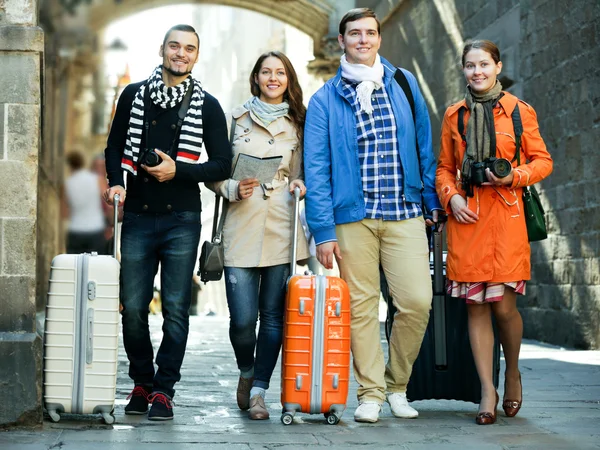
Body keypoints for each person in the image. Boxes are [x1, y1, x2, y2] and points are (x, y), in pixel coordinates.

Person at [303, 8, 443, 423]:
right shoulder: (325, 99)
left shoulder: (402, 82)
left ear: (379, 39)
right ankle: (370, 393)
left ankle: (397, 384)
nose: (363, 40)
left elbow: (423, 144)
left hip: (403, 211)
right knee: (361, 307)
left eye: (370, 33)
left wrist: (431, 200)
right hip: (352, 218)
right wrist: (323, 230)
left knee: (416, 302)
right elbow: (317, 167)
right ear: (342, 41)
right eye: (354, 34)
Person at [103, 24, 232, 421]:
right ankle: (141, 382)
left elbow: (222, 164)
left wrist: (179, 172)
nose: (181, 53)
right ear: (162, 49)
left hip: (182, 218)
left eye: (189, 48)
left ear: (196, 56)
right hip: (139, 215)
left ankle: (164, 390)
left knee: (176, 308)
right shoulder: (133, 95)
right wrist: (115, 183)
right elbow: (113, 146)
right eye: (175, 45)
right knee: (133, 308)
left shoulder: (207, 105)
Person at [436, 40, 553, 425]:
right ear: (464, 70)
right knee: (476, 306)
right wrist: (451, 197)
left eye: (483, 64)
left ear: (497, 66)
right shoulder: (454, 116)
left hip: (506, 218)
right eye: (470, 66)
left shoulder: (520, 112)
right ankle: (488, 388)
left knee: (504, 307)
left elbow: (542, 161)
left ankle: (513, 370)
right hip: (468, 218)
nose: (477, 72)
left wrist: (515, 175)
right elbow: (444, 168)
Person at [206, 51, 309, 420]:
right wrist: (232, 188)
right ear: (256, 78)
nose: (273, 78)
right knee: (242, 319)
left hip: (281, 223)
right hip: (241, 224)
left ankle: (260, 391)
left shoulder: (301, 122)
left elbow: (305, 171)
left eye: (280, 72)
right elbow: (214, 172)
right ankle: (246, 371)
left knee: (274, 317)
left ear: (288, 79)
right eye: (266, 72)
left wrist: (299, 183)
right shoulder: (234, 119)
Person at [62, 151, 107, 254]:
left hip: (75, 230)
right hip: (96, 228)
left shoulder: (67, 184)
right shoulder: (97, 179)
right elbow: (108, 203)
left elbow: (64, 213)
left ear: (70, 165)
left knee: (75, 266)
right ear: (83, 163)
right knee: (95, 265)